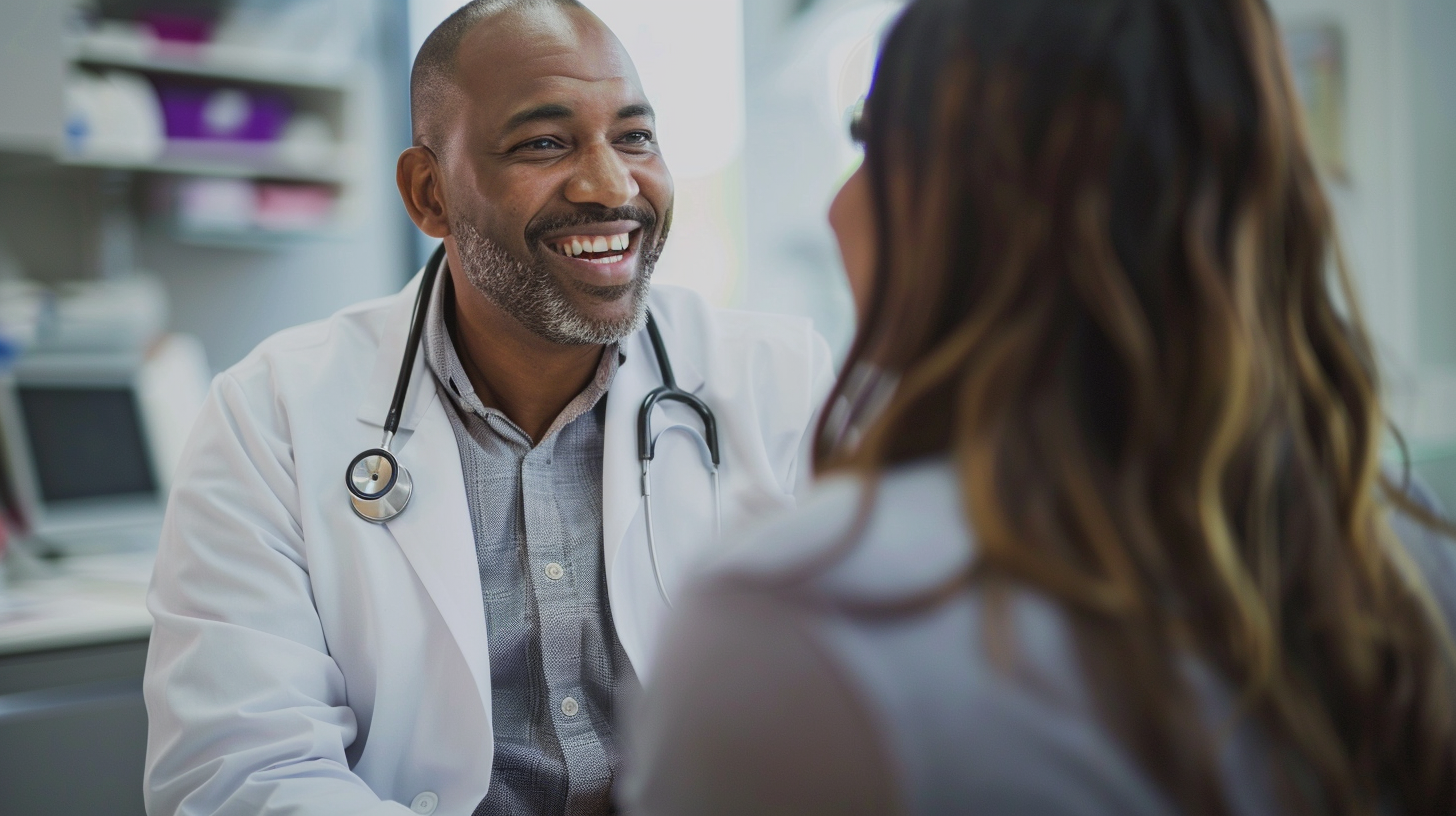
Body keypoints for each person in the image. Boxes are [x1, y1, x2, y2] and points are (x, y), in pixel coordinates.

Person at [622, 0, 1456, 814]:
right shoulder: (1400, 557)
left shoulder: (802, 624)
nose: (836, 208)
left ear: (970, 201)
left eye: (869, 140)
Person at [142, 1, 832, 814]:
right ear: (428, 193)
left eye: (635, 137)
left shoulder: (781, 381)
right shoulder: (270, 417)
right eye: (545, 143)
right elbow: (242, 772)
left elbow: (882, 703)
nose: (611, 184)